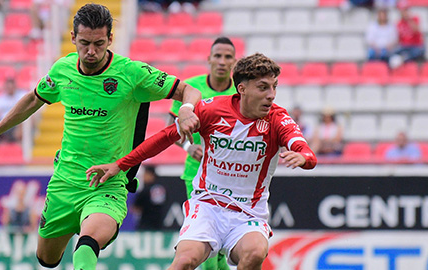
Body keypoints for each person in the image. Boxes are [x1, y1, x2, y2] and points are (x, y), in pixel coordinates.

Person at [0, 4, 202, 270]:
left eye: (99, 44)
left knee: (88, 242)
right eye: (85, 43)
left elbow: (189, 90)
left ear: (110, 39)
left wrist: (185, 110)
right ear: (73, 38)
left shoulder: (132, 74)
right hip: (65, 181)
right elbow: (34, 99)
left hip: (108, 181)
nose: (91, 51)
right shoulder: (62, 70)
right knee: (47, 259)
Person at [87, 53, 318, 270]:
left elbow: (305, 151)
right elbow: (165, 137)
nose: (271, 94)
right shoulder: (212, 109)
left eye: (274, 87)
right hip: (208, 205)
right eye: (263, 87)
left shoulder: (278, 118)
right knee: (184, 261)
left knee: (255, 253)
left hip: (249, 212)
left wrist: (304, 157)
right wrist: (120, 164)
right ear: (242, 89)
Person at [168, 36, 237, 270]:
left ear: (234, 62)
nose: (222, 61)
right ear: (209, 59)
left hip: (232, 178)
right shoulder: (192, 89)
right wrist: (189, 147)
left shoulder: (241, 92)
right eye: (217, 56)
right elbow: (171, 128)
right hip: (196, 176)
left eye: (228, 57)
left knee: (224, 244)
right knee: (206, 241)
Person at [0, 77, 27, 145]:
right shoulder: (0, 98)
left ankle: (18, 142)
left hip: (16, 122)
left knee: (24, 121)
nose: (9, 88)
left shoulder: (22, 95)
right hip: (2, 123)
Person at [389, 2, 426, 68]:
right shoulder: (399, 23)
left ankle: (403, 59)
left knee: (417, 52)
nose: (404, 13)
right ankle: (401, 59)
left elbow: (416, 30)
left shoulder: (415, 19)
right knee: (391, 53)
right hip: (404, 46)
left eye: (405, 10)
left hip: (415, 46)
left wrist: (409, 19)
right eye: (402, 11)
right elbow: (399, 39)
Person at [131, 166, 167, 230]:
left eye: (145, 174)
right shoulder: (162, 187)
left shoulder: (146, 190)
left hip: (145, 223)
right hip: (159, 223)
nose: (143, 176)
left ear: (151, 175)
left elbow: (136, 207)